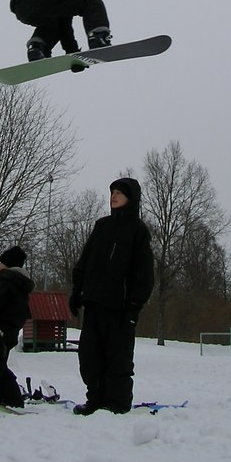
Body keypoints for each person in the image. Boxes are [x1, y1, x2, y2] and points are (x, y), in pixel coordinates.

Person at [69, 177, 154, 415]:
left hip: (119, 309)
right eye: (112, 192)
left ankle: (117, 403)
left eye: (120, 193)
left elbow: (144, 276)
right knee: (89, 357)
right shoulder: (102, 226)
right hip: (94, 304)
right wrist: (77, 292)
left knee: (118, 358)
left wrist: (133, 309)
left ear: (131, 198)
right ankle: (95, 399)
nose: (114, 196)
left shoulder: (138, 231)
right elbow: (84, 263)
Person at [0, 245, 35, 407]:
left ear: (8, 264)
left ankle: (11, 398)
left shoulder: (6, 279)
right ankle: (5, 396)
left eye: (1, 263)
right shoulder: (21, 283)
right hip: (11, 331)